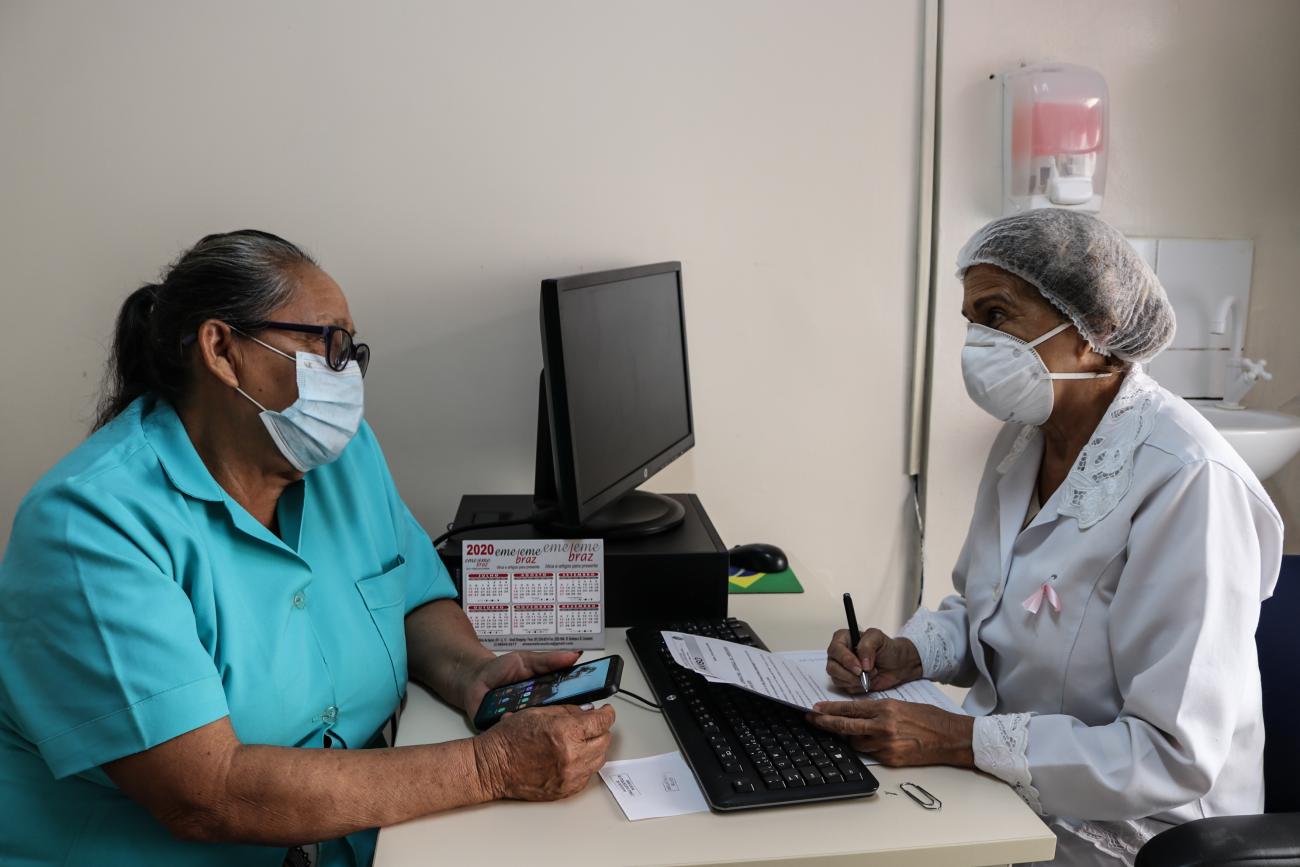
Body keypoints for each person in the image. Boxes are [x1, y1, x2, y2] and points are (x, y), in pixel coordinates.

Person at [0, 230, 615, 867]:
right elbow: (206, 794)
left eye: (353, 352)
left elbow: (410, 598)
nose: (345, 373)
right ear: (222, 350)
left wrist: (471, 672)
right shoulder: (89, 526)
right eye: (329, 344)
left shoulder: (344, 459)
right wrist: (490, 769)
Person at [812, 210, 1282, 866]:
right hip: (1014, 792)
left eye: (998, 315)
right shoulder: (1026, 438)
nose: (977, 342)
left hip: (1137, 835)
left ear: (1096, 333)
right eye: (972, 320)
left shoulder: (1188, 481)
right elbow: (985, 605)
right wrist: (911, 652)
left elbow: (1173, 754)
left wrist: (962, 739)